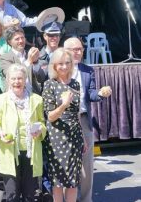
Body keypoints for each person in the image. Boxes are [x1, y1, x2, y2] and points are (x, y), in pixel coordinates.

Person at [64, 37, 112, 202]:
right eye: (74, 49)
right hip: (64, 121)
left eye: (80, 49)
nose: (78, 52)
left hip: (84, 119)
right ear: (66, 51)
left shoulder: (87, 70)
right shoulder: (60, 69)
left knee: (87, 164)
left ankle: (86, 199)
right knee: (67, 162)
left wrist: (99, 94)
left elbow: (90, 93)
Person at [0, 63, 47, 201]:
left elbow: (42, 123)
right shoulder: (1, 99)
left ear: (25, 79)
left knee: (30, 194)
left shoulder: (36, 100)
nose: (17, 82)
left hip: (31, 153)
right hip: (9, 152)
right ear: (8, 81)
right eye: (13, 79)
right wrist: (0, 134)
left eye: (20, 78)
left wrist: (40, 131)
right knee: (12, 194)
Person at [42, 48, 84, 202]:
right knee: (58, 181)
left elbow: (77, 113)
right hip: (57, 138)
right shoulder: (49, 85)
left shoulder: (75, 84)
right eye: (60, 64)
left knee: (73, 181)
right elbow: (50, 117)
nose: (64, 67)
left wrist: (83, 138)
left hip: (75, 137)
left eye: (67, 63)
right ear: (54, 66)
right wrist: (64, 105)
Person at [0, 26, 46, 95]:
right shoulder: (5, 58)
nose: (21, 41)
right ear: (9, 42)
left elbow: (41, 78)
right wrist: (29, 61)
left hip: (33, 95)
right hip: (14, 97)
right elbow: (12, 74)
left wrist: (36, 63)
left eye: (22, 38)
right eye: (17, 39)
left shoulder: (30, 54)